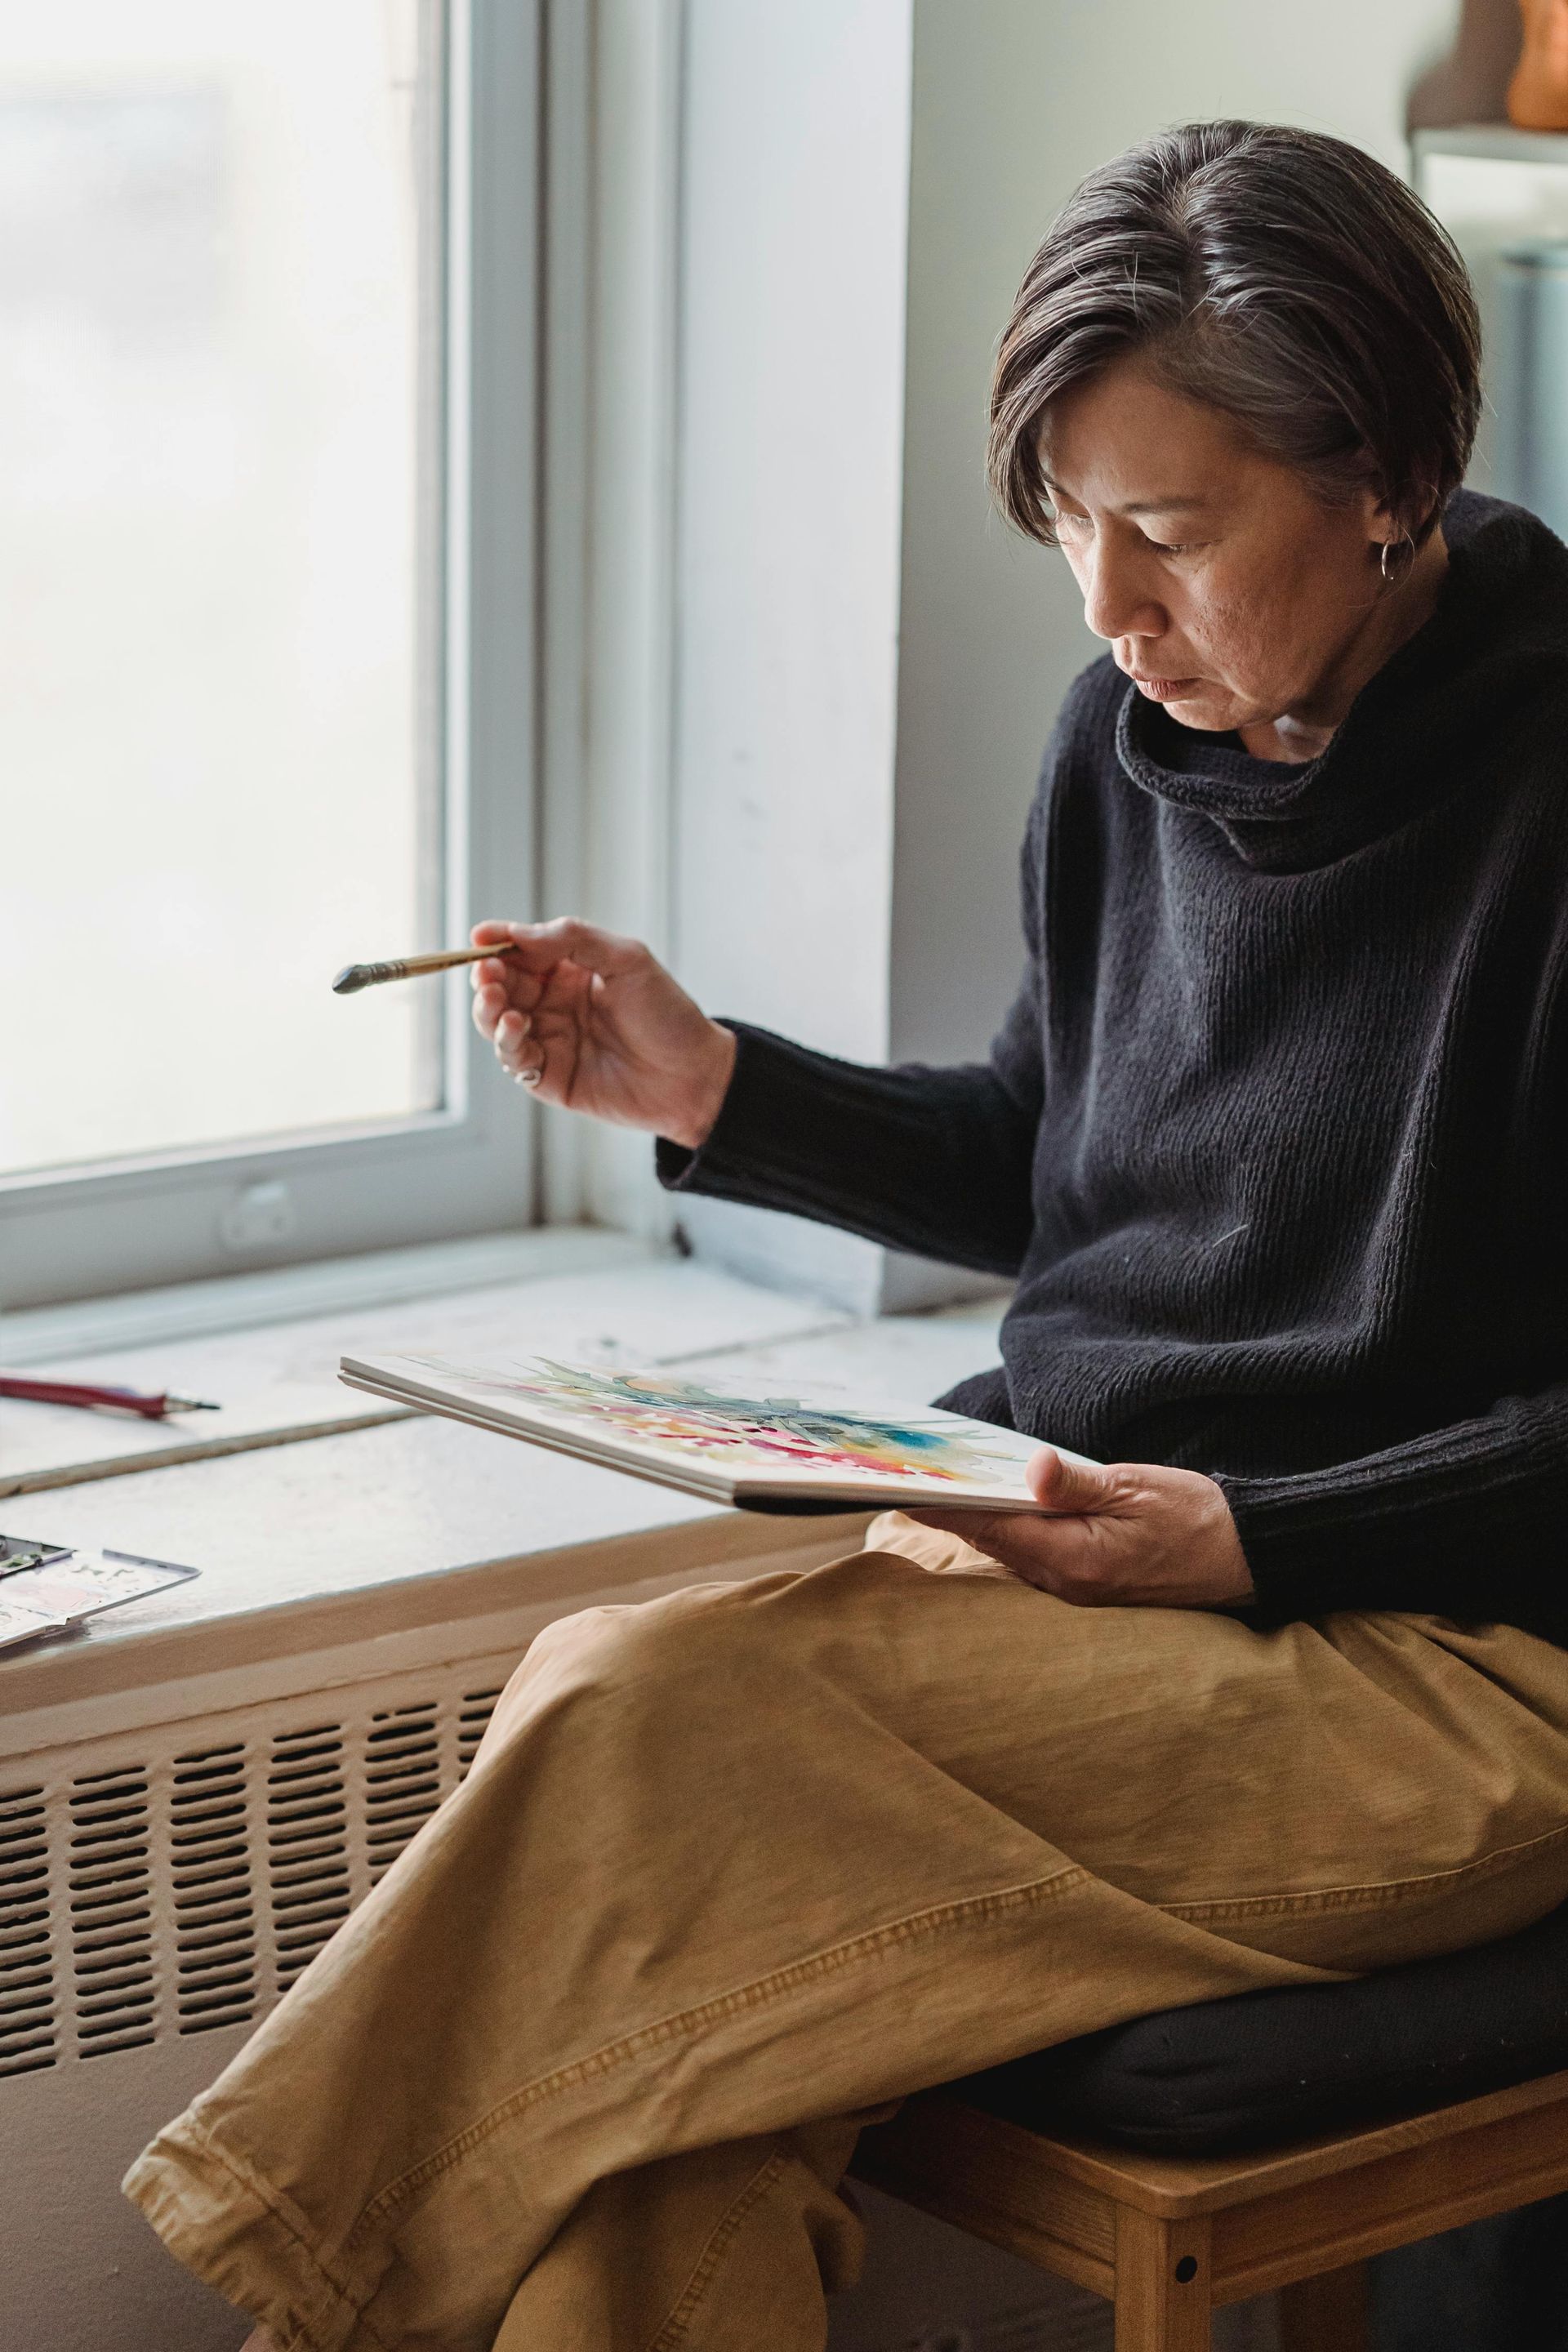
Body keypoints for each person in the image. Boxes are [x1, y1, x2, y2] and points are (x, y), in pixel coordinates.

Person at [125, 119, 1568, 2352]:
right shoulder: (1125, 742)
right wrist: (709, 1087)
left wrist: (1260, 1532)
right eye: (1069, 520)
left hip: (1455, 1664)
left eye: (1172, 530)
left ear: (1382, 475)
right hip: (1082, 1583)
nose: (1106, 604)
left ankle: (293, 2278)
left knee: (636, 1701)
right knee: (664, 2112)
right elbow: (1060, 1162)